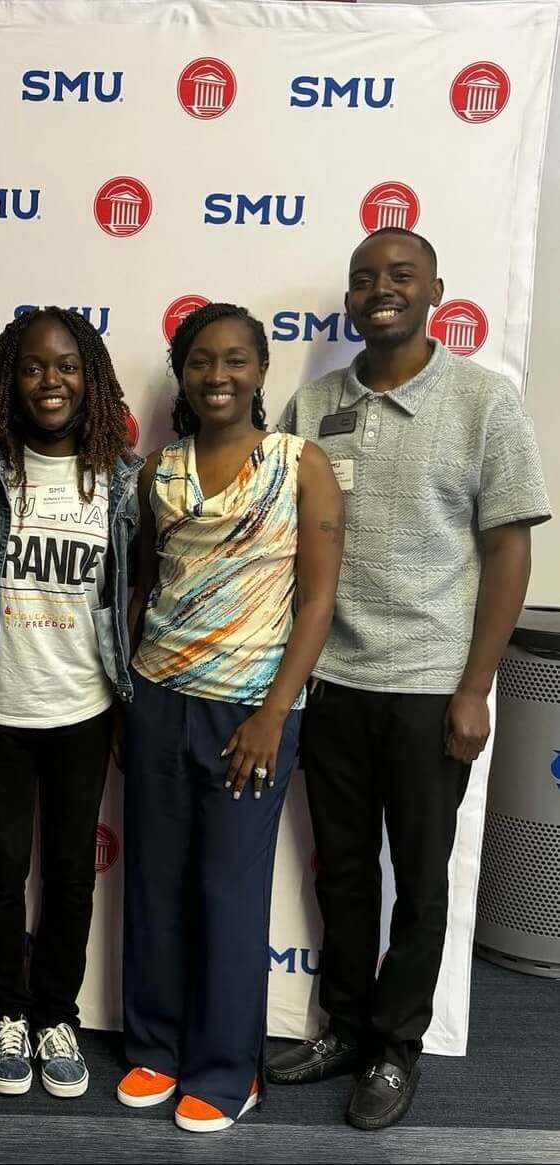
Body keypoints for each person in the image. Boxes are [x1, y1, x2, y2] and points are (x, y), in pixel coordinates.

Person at [267, 228, 551, 1130]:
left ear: (435, 289)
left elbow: (510, 549)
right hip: (332, 681)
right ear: (349, 299)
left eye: (399, 276)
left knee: (421, 880)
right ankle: (346, 1028)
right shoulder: (313, 406)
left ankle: (397, 1045)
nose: (379, 289)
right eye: (363, 278)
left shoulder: (483, 402)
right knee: (343, 872)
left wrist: (477, 687)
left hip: (433, 687)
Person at [117, 303, 343, 1132]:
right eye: (203, 360)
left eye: (236, 360)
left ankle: (225, 1068)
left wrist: (274, 713)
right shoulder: (158, 471)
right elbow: (147, 589)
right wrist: (128, 703)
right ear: (184, 372)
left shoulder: (300, 463)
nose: (219, 375)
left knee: (228, 887)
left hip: (251, 708)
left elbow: (317, 598)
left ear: (261, 370)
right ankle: (155, 1048)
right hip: (156, 698)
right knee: (155, 882)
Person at [0, 306, 142, 1099]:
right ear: (9, 379)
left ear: (89, 377)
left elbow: (140, 590)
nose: (50, 381)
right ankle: (10, 1012)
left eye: (66, 366)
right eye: (33, 367)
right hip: (0, 707)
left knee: (69, 873)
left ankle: (57, 1010)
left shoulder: (124, 480)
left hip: (85, 708)